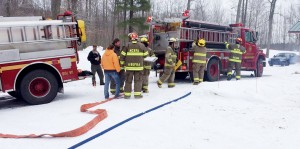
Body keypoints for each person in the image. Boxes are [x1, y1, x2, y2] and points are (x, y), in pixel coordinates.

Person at [120, 33, 148, 99]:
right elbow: (146, 55)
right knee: (138, 81)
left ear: (131, 38)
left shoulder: (127, 45)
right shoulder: (142, 45)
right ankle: (137, 95)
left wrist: (122, 64)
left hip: (129, 67)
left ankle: (127, 95)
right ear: (137, 38)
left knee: (128, 81)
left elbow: (122, 56)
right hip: (139, 67)